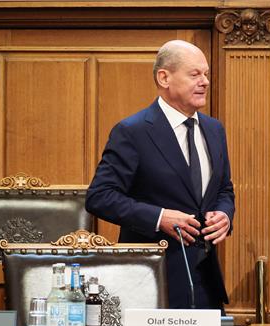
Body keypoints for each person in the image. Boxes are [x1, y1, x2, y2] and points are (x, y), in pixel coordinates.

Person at [85, 40, 235, 311]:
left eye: (206, 74)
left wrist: (224, 214)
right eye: (194, 74)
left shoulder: (214, 130)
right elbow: (100, 197)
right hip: (152, 282)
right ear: (164, 77)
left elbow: (224, 188)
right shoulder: (133, 131)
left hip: (205, 283)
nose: (205, 82)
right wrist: (159, 217)